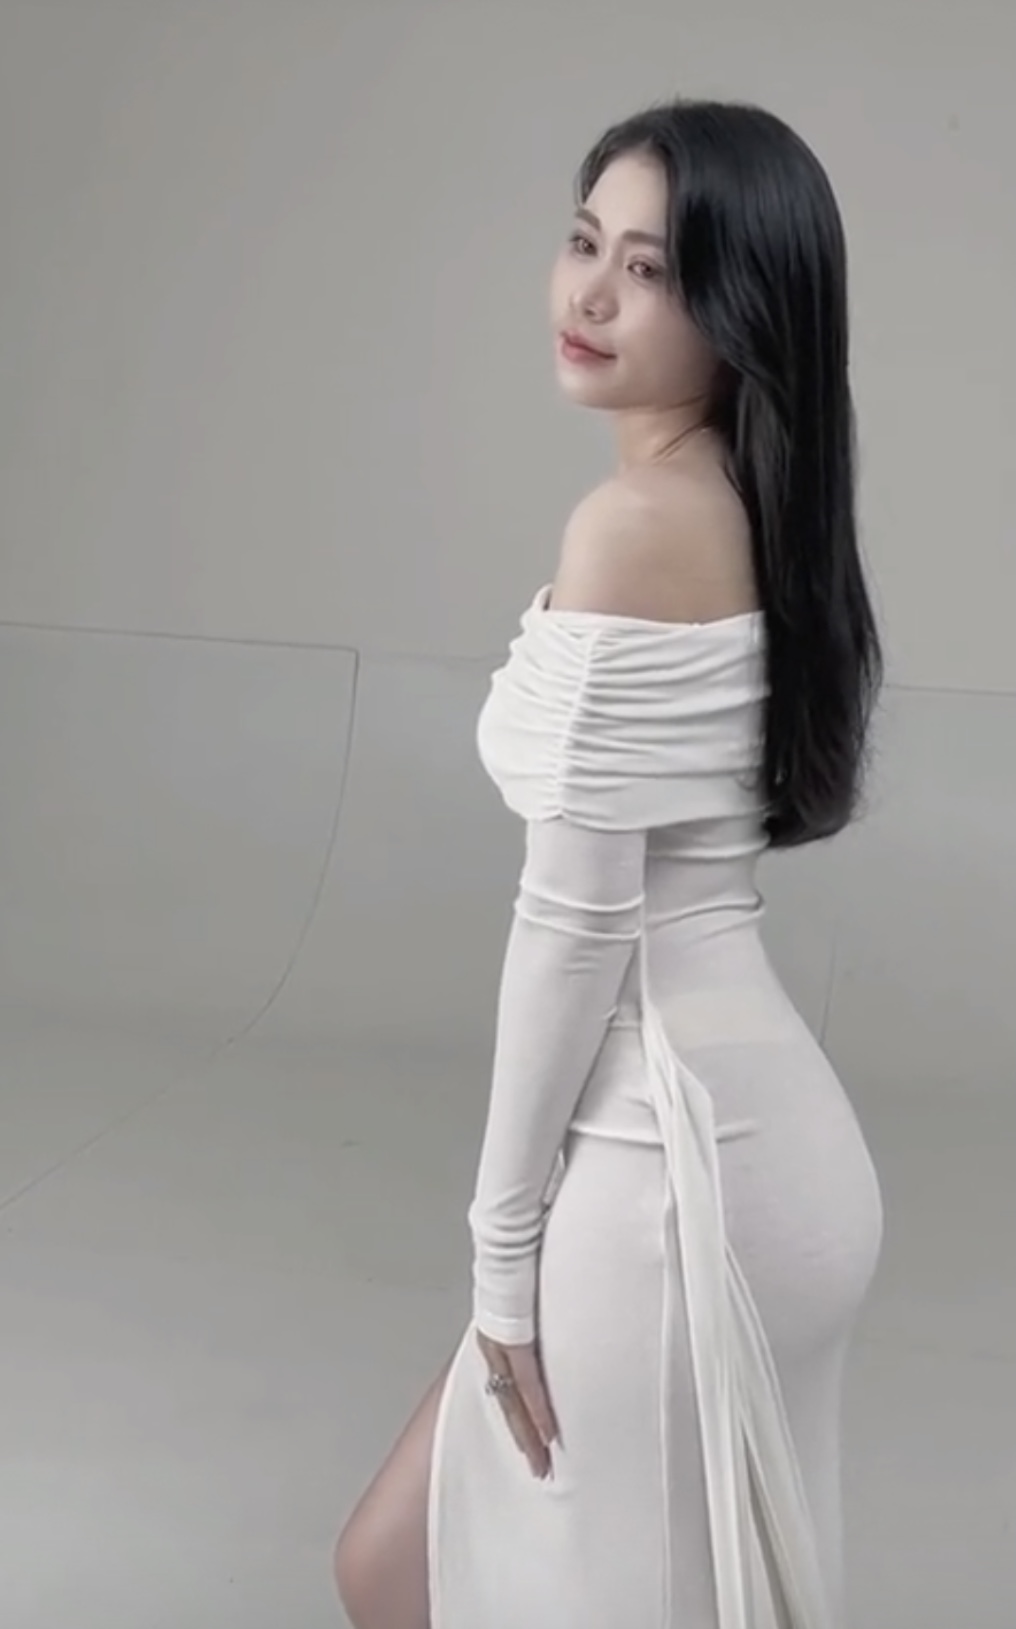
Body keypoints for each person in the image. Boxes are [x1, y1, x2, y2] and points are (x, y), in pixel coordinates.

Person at [334, 95, 886, 1629]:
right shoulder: (745, 503)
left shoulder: (639, 523)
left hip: (674, 1170)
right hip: (759, 1143)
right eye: (585, 243)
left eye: (651, 271)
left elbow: (573, 930)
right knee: (393, 1564)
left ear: (739, 311)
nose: (590, 293)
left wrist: (500, 1253)